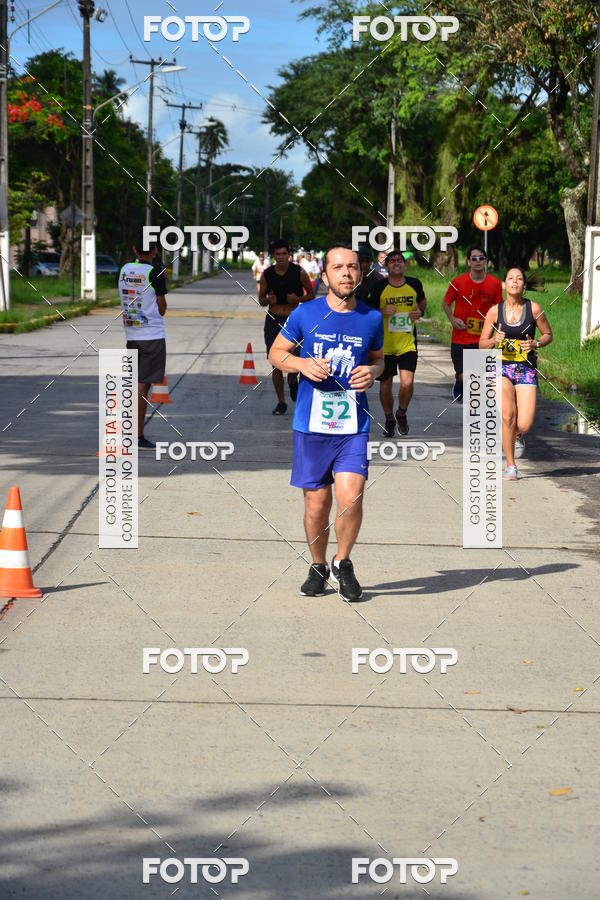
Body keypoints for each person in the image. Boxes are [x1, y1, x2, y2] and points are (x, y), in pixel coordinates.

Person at [268, 244, 384, 601]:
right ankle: (318, 566)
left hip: (352, 426)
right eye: (338, 268)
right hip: (311, 423)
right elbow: (276, 353)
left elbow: (379, 360)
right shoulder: (306, 314)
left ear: (360, 273)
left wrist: (373, 372)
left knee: (351, 498)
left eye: (352, 267)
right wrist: (301, 365)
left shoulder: (371, 318)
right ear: (325, 275)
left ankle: (343, 562)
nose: (346, 273)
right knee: (317, 505)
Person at [479, 266, 552, 480]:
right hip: (500, 368)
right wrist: (494, 340)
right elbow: (482, 344)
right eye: (510, 278)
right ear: (503, 284)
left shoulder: (534, 309)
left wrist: (536, 343)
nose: (514, 282)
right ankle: (511, 465)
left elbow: (548, 334)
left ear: (524, 285)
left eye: (519, 279)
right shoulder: (494, 311)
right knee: (507, 416)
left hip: (526, 369)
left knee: (524, 423)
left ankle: (518, 435)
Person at [366, 249, 426, 437]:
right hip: (385, 345)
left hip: (407, 342)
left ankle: (401, 412)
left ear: (405, 264)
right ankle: (389, 417)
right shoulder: (379, 286)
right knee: (385, 385)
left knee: (407, 383)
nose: (397, 263)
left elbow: (422, 304)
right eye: (392, 261)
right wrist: (382, 310)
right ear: (386, 265)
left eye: (400, 260)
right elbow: (369, 311)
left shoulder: (414, 283)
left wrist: (420, 313)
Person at [118, 232, 168, 449]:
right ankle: (135, 434)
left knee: (136, 383)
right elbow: (162, 308)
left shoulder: (124, 270)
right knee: (142, 386)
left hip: (132, 334)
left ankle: (130, 430)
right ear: (155, 251)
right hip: (152, 336)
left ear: (135, 250)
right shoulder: (154, 272)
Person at [259, 238, 315, 415]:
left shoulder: (298, 272)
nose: (281, 257)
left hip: (294, 319)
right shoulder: (267, 274)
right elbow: (261, 299)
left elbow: (311, 294)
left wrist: (297, 300)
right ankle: (281, 401)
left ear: (289, 255)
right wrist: (269, 300)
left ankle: (292, 379)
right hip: (274, 319)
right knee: (275, 361)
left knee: (296, 356)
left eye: (284, 254)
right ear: (274, 256)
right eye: (278, 254)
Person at [442, 246, 502, 401]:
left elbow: (499, 309)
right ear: (468, 261)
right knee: (466, 376)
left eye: (481, 258)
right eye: (474, 258)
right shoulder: (458, 282)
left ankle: (475, 409)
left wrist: (497, 331)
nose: (478, 261)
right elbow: (446, 302)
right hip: (460, 338)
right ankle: (460, 382)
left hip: (483, 339)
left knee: (479, 378)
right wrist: (452, 319)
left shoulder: (494, 283)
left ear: (486, 261)